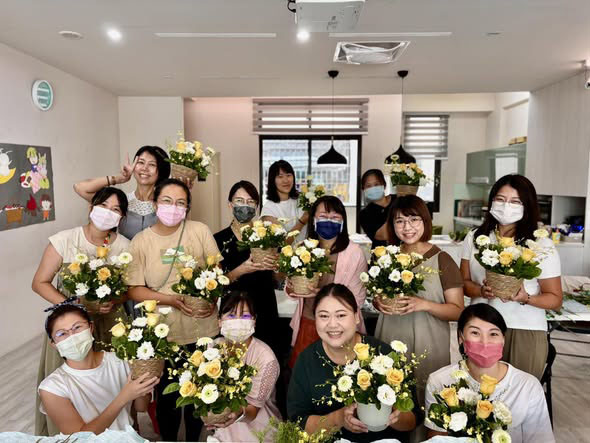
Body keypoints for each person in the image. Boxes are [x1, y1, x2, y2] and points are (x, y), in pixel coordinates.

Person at [126, 178, 220, 441]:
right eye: (167, 201)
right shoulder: (141, 241)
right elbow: (134, 290)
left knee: (198, 394)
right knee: (168, 397)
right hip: (163, 334)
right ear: (155, 203)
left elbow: (216, 271)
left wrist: (212, 296)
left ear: (187, 207)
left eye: (181, 203)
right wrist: (168, 300)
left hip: (201, 328)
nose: (173, 207)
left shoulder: (199, 231)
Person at [33, 186, 131, 436]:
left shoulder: (124, 247)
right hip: (71, 326)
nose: (108, 213)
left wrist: (113, 299)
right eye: (103, 206)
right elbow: (40, 282)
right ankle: (71, 434)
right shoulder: (65, 240)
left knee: (116, 381)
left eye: (116, 209)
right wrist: (75, 307)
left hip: (111, 323)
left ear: (121, 218)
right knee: (70, 385)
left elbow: (129, 289)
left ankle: (124, 432)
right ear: (91, 207)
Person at [460, 174, 562, 379]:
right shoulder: (476, 238)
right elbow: (463, 284)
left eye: (515, 201)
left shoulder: (541, 245)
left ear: (528, 206)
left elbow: (555, 299)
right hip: (481, 327)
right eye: (500, 199)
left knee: (520, 392)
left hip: (524, 329)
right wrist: (481, 291)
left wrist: (526, 298)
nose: (506, 206)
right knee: (476, 392)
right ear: (491, 202)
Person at [288, 284, 417, 443]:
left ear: (356, 317)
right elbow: (298, 423)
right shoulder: (307, 360)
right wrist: (338, 419)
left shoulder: (384, 355)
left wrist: (392, 414)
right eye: (324, 316)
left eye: (341, 315)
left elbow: (413, 420)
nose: (332, 324)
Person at [373, 195, 464, 408]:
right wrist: (378, 302)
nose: (407, 227)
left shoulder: (442, 259)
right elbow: (377, 295)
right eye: (400, 221)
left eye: (414, 219)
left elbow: (458, 311)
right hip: (389, 338)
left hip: (428, 345)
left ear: (425, 221)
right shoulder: (385, 258)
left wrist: (424, 305)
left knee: (427, 402)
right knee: (389, 400)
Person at [425, 304, 555, 443]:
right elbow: (436, 438)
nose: (485, 342)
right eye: (475, 333)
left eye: (493, 334)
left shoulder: (528, 386)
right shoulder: (440, 381)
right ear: (461, 338)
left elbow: (541, 440)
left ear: (503, 340)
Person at [38, 300, 159, 435]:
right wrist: (123, 397)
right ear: (54, 344)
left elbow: (141, 407)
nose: (72, 336)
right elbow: (80, 439)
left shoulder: (120, 361)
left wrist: (144, 383)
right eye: (62, 334)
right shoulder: (52, 387)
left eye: (77, 327)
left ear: (91, 328)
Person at [286, 195, 367, 368]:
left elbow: (358, 298)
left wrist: (323, 295)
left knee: (341, 376)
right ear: (313, 219)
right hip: (308, 322)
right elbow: (292, 290)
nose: (329, 221)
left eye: (335, 217)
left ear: (343, 221)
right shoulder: (302, 249)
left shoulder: (354, 253)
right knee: (306, 372)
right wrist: (292, 288)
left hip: (340, 326)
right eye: (323, 216)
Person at [214, 181, 283, 356]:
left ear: (256, 207)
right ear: (230, 204)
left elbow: (279, 279)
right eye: (239, 201)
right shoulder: (218, 239)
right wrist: (241, 269)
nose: (245, 206)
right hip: (234, 312)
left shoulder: (269, 237)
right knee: (233, 361)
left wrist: (278, 267)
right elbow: (216, 284)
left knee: (266, 357)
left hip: (264, 306)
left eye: (250, 201)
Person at [209, 291, 282, 442]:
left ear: (254, 321)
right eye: (231, 315)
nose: (238, 321)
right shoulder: (213, 349)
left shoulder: (266, 358)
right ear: (219, 321)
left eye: (245, 316)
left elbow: (253, 411)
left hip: (258, 429)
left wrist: (236, 413)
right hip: (222, 425)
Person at [74, 145, 170, 240]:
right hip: (123, 250)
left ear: (161, 170)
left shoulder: (167, 203)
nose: (144, 168)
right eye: (141, 162)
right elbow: (80, 188)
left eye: (152, 164)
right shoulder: (120, 201)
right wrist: (118, 179)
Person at [260, 160, 307, 243]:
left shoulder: (302, 200)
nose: (286, 180)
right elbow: (283, 242)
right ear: (273, 180)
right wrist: (302, 221)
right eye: (280, 176)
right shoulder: (268, 209)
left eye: (288, 175)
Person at [359, 169, 394, 248]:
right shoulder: (364, 214)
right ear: (363, 189)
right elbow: (383, 235)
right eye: (368, 186)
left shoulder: (398, 199)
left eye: (376, 184)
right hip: (380, 254)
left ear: (384, 185)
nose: (373, 188)